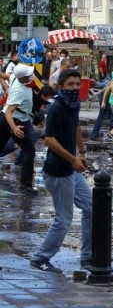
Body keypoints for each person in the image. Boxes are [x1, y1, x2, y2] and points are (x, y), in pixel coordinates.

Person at [30, 69, 91, 274]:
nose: (74, 88)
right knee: (64, 219)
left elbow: (75, 128)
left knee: (92, 208)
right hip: (58, 172)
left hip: (71, 169)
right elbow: (49, 139)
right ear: (61, 86)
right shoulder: (56, 107)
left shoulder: (72, 105)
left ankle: (89, 256)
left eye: (77, 84)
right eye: (70, 84)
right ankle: (40, 258)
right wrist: (73, 159)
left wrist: (82, 152)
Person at [0, 64, 37, 194]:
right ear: (23, 78)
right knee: (29, 150)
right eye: (29, 75)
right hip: (16, 120)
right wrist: (14, 128)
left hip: (8, 119)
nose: (32, 76)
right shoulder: (20, 91)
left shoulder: (15, 77)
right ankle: (25, 186)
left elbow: (4, 75)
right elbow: (9, 112)